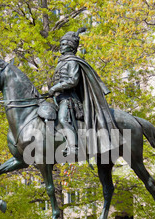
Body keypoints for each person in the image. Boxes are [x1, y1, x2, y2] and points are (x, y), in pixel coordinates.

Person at [48, 28, 120, 156]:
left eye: (64, 44)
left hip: (70, 99)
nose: (61, 47)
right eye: (61, 44)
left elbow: (73, 81)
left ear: (71, 47)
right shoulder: (61, 62)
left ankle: (73, 147)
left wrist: (55, 88)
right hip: (59, 98)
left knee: (63, 119)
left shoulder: (73, 62)